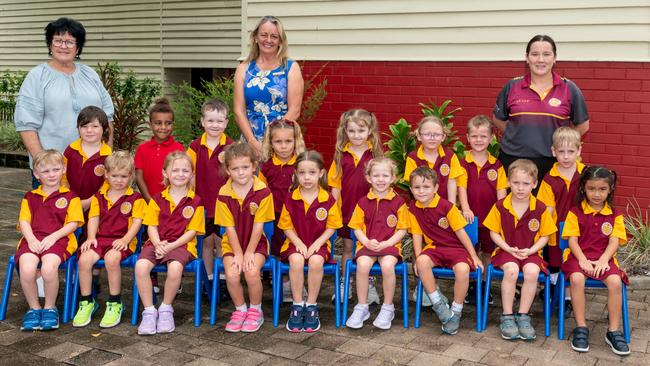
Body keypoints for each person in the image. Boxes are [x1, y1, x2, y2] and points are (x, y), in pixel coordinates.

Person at [14, 17, 113, 185]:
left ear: (78, 47)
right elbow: (27, 125)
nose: (63, 46)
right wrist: (43, 163)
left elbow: (107, 118)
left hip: (93, 166)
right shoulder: (37, 76)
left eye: (69, 41)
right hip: (53, 170)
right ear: (50, 44)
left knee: (93, 211)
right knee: (54, 211)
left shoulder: (90, 74)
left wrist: (107, 155)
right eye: (58, 40)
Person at [493, 34, 589, 184]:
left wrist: (564, 144)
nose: (540, 60)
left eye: (546, 54)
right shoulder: (512, 86)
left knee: (548, 207)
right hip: (513, 161)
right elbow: (498, 119)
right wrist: (518, 135)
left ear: (555, 58)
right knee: (514, 206)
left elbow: (583, 125)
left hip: (552, 163)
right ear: (527, 57)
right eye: (535, 54)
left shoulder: (569, 88)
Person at [483, 159, 557, 340]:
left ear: (534, 184)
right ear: (508, 182)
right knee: (512, 271)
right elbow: (493, 233)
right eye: (516, 183)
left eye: (525, 184)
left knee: (532, 272)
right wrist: (507, 247)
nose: (520, 188)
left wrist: (532, 250)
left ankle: (523, 316)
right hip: (506, 251)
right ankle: (507, 316)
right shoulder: (500, 206)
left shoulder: (540, 208)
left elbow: (546, 235)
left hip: (531, 252)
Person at [134, 152, 205, 335]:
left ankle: (166, 308)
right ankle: (149, 311)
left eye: (185, 171)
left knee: (174, 269)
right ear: (165, 173)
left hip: (181, 245)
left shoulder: (196, 202)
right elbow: (151, 226)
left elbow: (191, 233)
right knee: (141, 266)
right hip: (157, 242)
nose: (180, 174)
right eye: (175, 170)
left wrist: (169, 247)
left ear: (191, 175)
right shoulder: (156, 199)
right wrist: (158, 244)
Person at [72, 151, 146, 328]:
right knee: (84, 260)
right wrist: (90, 237)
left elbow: (137, 223)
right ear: (106, 175)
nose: (119, 180)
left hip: (123, 241)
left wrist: (126, 240)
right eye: (114, 176)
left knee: (112, 260)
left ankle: (114, 303)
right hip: (100, 239)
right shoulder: (99, 197)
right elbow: (94, 218)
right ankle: (87, 301)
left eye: (123, 176)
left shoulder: (135, 199)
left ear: (131, 176)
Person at [561, 166, 629, 356]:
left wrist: (603, 260)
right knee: (576, 279)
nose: (597, 194)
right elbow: (572, 241)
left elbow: (614, 241)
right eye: (591, 189)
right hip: (578, 257)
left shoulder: (615, 216)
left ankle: (613, 331)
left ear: (610, 189)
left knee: (615, 282)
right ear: (583, 188)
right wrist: (582, 260)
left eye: (602, 189)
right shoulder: (575, 212)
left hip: (603, 259)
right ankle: (581, 327)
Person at [408, 166, 483, 335]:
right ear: (411, 190)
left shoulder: (447, 206)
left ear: (435, 188)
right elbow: (417, 234)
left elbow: (461, 233)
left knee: (463, 269)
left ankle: (456, 311)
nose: (421, 191)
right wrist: (419, 256)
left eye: (426, 187)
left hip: (456, 248)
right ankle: (438, 304)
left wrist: (473, 256)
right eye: (417, 187)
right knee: (421, 262)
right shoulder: (413, 208)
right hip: (434, 247)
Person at [15, 149, 84, 331]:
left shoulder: (71, 197)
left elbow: (73, 224)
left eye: (55, 169)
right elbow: (24, 221)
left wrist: (53, 237)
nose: (51, 174)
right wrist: (30, 240)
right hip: (33, 239)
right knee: (27, 268)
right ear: (37, 174)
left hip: (60, 240)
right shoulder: (30, 197)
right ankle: (34, 308)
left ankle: (50, 308)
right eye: (45, 171)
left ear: (63, 170)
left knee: (48, 267)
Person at [278, 150, 342, 332]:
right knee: (296, 260)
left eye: (312, 173)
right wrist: (298, 243)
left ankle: (311, 306)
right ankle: (298, 306)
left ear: (321, 173)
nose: (307, 177)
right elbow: (286, 226)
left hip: (319, 244)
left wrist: (317, 244)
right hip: (294, 243)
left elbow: (332, 227)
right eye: (302, 173)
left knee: (315, 261)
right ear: (296, 174)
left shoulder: (327, 199)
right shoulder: (291, 198)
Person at [215, 142, 275, 332]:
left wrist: (248, 253)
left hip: (257, 244)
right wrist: (238, 253)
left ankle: (256, 310)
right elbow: (229, 228)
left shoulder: (263, 192)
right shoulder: (223, 194)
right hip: (232, 245)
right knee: (232, 275)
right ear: (228, 170)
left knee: (251, 272)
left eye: (245, 167)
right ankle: (240, 309)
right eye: (235, 168)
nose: (241, 172)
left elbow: (259, 227)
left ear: (254, 166)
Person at [327, 109, 383, 303]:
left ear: (370, 131)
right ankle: (345, 284)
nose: (356, 135)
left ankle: (369, 286)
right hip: (347, 212)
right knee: (349, 249)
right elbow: (334, 186)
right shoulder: (340, 156)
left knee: (368, 250)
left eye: (361, 130)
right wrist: (333, 210)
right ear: (345, 132)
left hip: (371, 214)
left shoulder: (375, 155)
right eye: (352, 131)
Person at [346, 157, 408, 330]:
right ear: (369, 178)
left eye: (385, 175)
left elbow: (402, 230)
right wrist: (365, 241)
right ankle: (362, 306)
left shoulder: (399, 203)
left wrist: (387, 243)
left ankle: (388, 307)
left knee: (388, 265)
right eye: (376, 175)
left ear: (393, 178)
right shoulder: (362, 202)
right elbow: (356, 228)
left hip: (390, 245)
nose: (381, 179)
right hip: (367, 245)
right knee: (363, 265)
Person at [134, 97, 184, 294]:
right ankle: (152, 277)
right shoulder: (142, 148)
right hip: (150, 203)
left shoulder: (178, 148)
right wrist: (151, 201)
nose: (163, 127)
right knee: (151, 238)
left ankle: (176, 276)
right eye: (158, 123)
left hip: (173, 205)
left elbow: (182, 176)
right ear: (150, 124)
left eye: (168, 123)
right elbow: (139, 176)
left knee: (174, 237)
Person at [233, 15, 304, 154]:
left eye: (274, 36)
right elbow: (238, 111)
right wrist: (253, 143)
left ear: (280, 41)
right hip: (250, 144)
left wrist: (273, 141)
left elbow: (294, 110)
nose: (268, 40)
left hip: (281, 145)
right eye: (264, 35)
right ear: (255, 37)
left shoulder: (290, 68)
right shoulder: (244, 69)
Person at [457, 115, 507, 303]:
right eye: (475, 136)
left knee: (487, 252)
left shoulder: (497, 165)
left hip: (489, 218)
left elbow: (501, 194)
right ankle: (471, 284)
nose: (479, 140)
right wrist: (466, 208)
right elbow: (462, 187)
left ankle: (485, 284)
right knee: (468, 251)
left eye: (483, 136)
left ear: (491, 138)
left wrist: (499, 215)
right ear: (468, 138)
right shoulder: (462, 163)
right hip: (469, 217)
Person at [187, 99, 233, 292]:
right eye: (211, 121)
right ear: (203, 121)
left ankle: (223, 278)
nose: (215, 125)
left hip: (224, 204)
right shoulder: (195, 147)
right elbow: (189, 174)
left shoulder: (230, 146)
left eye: (219, 121)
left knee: (222, 241)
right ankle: (209, 278)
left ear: (226, 122)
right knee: (206, 242)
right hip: (202, 203)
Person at [259, 118, 306, 302]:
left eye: (288, 141)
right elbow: (261, 194)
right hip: (275, 218)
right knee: (278, 252)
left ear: (296, 141)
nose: (284, 146)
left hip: (298, 219)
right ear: (271, 143)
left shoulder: (302, 166)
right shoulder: (266, 167)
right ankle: (282, 284)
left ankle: (295, 285)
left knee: (297, 252)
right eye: (278, 142)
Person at [536, 127, 585, 289]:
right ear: (553, 151)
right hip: (556, 232)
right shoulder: (549, 179)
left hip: (580, 231)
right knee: (555, 265)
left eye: (570, 151)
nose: (565, 156)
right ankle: (550, 292)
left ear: (579, 150)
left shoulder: (586, 174)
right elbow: (546, 210)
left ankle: (568, 298)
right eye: (561, 151)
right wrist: (543, 232)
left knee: (574, 264)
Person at [63, 106, 112, 210]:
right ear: (78, 128)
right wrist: (68, 197)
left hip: (96, 205)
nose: (89, 130)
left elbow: (108, 183)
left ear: (104, 129)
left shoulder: (108, 155)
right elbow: (62, 176)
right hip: (69, 203)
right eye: (84, 126)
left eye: (95, 126)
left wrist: (90, 201)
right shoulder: (71, 150)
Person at [404, 116, 462, 203]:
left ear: (443, 137)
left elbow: (451, 183)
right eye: (427, 134)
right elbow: (414, 186)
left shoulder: (450, 156)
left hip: (444, 206)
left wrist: (451, 207)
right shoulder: (413, 158)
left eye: (437, 134)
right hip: (421, 206)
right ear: (419, 136)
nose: (432, 138)